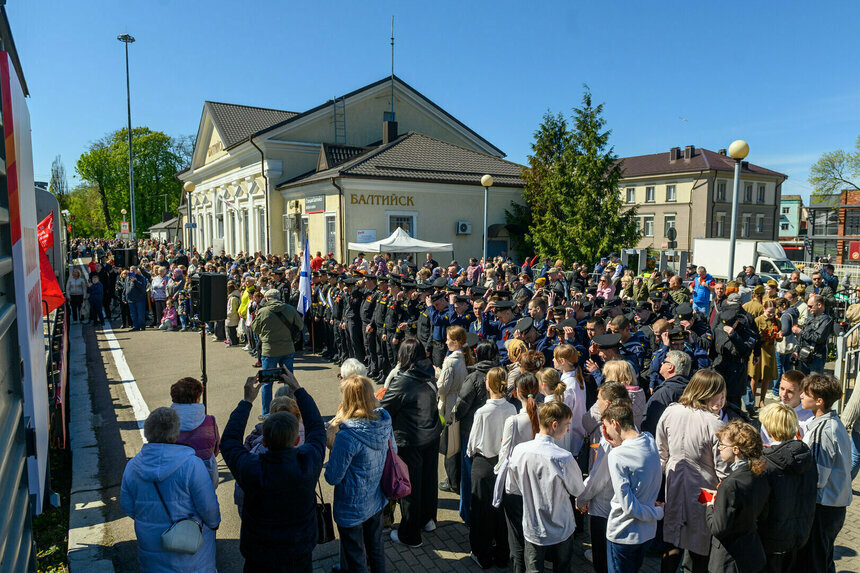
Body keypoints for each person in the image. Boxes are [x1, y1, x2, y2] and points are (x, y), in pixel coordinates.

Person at [221, 368, 325, 573]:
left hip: (260, 554)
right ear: (296, 440)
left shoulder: (251, 468)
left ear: (265, 441)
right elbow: (316, 428)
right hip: (298, 553)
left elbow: (229, 442)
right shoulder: (308, 462)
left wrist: (246, 401)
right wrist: (298, 389)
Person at [120, 407, 221, 572]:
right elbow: (208, 507)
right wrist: (214, 524)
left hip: (151, 549)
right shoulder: (191, 464)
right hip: (191, 550)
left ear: (147, 431)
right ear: (176, 432)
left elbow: (128, 508)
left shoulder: (132, 467)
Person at [656, 369, 729, 573]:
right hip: (705, 491)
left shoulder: (671, 411)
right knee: (700, 546)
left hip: (675, 482)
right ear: (705, 392)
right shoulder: (715, 423)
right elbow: (723, 469)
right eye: (719, 394)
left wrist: (657, 488)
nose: (722, 400)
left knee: (673, 541)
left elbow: (661, 453)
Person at [325, 375, 393, 573]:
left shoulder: (347, 436)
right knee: (376, 548)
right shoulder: (383, 422)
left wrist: (331, 445)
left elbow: (332, 477)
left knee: (355, 555)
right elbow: (392, 452)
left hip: (352, 506)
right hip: (376, 498)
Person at [507, 400, 585, 573]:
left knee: (533, 568)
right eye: (567, 425)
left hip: (532, 526)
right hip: (561, 526)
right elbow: (578, 489)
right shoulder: (563, 458)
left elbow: (512, 487)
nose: (569, 430)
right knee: (562, 567)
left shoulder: (520, 451)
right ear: (555, 425)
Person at [379, 339, 442, 548]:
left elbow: (385, 409)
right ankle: (427, 520)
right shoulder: (429, 372)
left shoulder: (403, 380)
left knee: (410, 489)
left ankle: (410, 535)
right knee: (428, 481)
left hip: (410, 439)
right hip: (430, 436)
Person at [794, 373, 853, 573]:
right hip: (835, 505)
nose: (801, 396)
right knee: (824, 557)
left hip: (823, 507)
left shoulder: (823, 431)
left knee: (815, 561)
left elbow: (817, 477)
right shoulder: (833, 424)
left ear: (819, 401)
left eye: (805, 393)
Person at [601, 401, 664, 573]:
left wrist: (658, 513)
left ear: (615, 423)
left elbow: (628, 505)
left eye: (606, 427)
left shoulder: (617, 455)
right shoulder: (649, 440)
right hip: (647, 533)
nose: (606, 433)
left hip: (623, 533)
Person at [577, 382, 632, 573]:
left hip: (602, 507)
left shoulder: (609, 436)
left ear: (607, 403)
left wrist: (582, 498)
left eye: (599, 399)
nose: (596, 403)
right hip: (618, 507)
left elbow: (598, 477)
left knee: (602, 561)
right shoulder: (630, 427)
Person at [466, 366, 517, 569]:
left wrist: (470, 453)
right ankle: (502, 553)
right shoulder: (511, 408)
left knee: (480, 511)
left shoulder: (483, 412)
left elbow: (472, 442)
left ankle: (482, 554)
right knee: (500, 510)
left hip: (483, 463)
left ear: (490, 384)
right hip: (503, 463)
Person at [704, 420, 770, 573]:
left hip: (728, 560)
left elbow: (718, 528)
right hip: (751, 553)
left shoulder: (729, 485)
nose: (719, 448)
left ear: (735, 449)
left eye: (722, 445)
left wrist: (709, 505)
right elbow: (763, 512)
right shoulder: (759, 473)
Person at [758, 403, 817, 571]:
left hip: (771, 537)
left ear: (769, 429)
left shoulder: (766, 463)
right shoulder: (807, 457)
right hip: (799, 534)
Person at [496, 372, 542, 573]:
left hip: (516, 485)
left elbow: (504, 455)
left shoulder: (513, 421)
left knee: (516, 535)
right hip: (539, 482)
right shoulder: (545, 414)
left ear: (515, 393)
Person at [453, 341, 499, 524]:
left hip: (470, 433)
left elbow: (461, 405)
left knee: (468, 474)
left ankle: (468, 513)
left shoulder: (474, 377)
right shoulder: (499, 374)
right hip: (495, 433)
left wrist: (453, 417)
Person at [251, 289, 304, 418]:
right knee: (289, 381)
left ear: (267, 299)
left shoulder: (263, 311)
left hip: (270, 350)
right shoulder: (290, 309)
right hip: (287, 348)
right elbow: (300, 325)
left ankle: (266, 413)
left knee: (267, 383)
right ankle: (290, 408)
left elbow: (255, 328)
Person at [437, 325, 472, 494]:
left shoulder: (450, 361)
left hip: (450, 404)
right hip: (460, 401)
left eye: (449, 340)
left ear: (456, 342)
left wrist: (438, 375)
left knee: (449, 446)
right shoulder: (465, 356)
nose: (446, 342)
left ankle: (452, 481)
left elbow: (443, 388)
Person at [171, 377, 220, 488]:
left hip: (175, 479)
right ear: (197, 398)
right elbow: (216, 451)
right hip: (205, 479)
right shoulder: (210, 421)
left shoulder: (164, 423)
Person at [641, 350, 691, 436]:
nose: (661, 363)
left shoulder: (664, 393)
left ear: (670, 367)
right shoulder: (692, 390)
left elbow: (650, 423)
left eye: (664, 362)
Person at [760, 369, 813, 445]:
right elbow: (765, 441)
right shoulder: (771, 413)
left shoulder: (810, 417)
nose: (784, 394)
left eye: (790, 391)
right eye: (782, 388)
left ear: (801, 391)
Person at [749, 299, 782, 409]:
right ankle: (753, 401)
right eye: (769, 312)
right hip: (759, 351)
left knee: (766, 377)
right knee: (755, 377)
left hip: (770, 351)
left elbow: (779, 337)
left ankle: (762, 401)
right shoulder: (758, 320)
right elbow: (753, 336)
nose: (771, 314)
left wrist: (779, 337)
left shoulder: (777, 322)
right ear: (764, 309)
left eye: (773, 312)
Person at [792, 294, 833, 375]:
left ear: (819, 305)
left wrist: (800, 332)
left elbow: (818, 338)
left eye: (810, 306)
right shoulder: (810, 317)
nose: (808, 309)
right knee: (802, 383)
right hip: (803, 355)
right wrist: (796, 350)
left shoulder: (827, 320)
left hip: (816, 357)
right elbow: (801, 336)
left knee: (814, 384)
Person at [125, 265, 149, 331]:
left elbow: (142, 286)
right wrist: (124, 297)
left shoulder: (141, 278)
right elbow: (126, 288)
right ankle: (135, 326)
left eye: (133, 270)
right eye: (131, 270)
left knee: (140, 314)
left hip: (140, 299)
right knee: (133, 314)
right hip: (130, 299)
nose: (132, 271)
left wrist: (135, 281)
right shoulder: (127, 278)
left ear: (136, 270)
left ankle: (142, 326)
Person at [225, 280, 241, 346]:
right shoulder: (233, 296)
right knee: (231, 330)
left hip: (232, 317)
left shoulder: (233, 298)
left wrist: (226, 314)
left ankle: (233, 342)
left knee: (231, 331)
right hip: (232, 317)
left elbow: (232, 310)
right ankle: (232, 341)